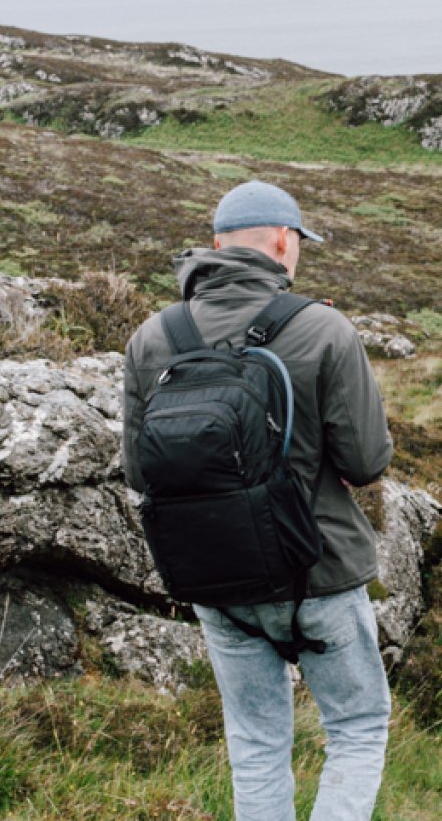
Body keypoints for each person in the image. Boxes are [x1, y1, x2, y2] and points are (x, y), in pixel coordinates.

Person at [121, 181, 394, 821]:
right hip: (318, 567)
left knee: (255, 740)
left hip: (217, 578)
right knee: (356, 726)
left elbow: (139, 472)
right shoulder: (323, 328)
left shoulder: (151, 339)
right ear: (283, 242)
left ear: (215, 246)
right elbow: (366, 461)